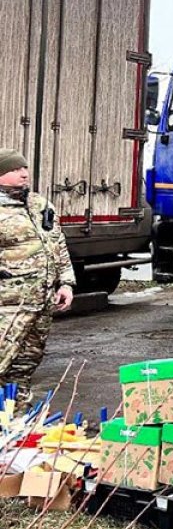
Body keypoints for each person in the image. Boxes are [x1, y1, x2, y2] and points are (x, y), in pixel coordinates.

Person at [0, 150, 74, 404]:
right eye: (15, 169)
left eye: (24, 168)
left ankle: (15, 421)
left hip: (41, 303)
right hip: (8, 307)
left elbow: (58, 245)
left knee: (25, 365)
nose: (23, 173)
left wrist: (65, 282)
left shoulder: (39, 205)